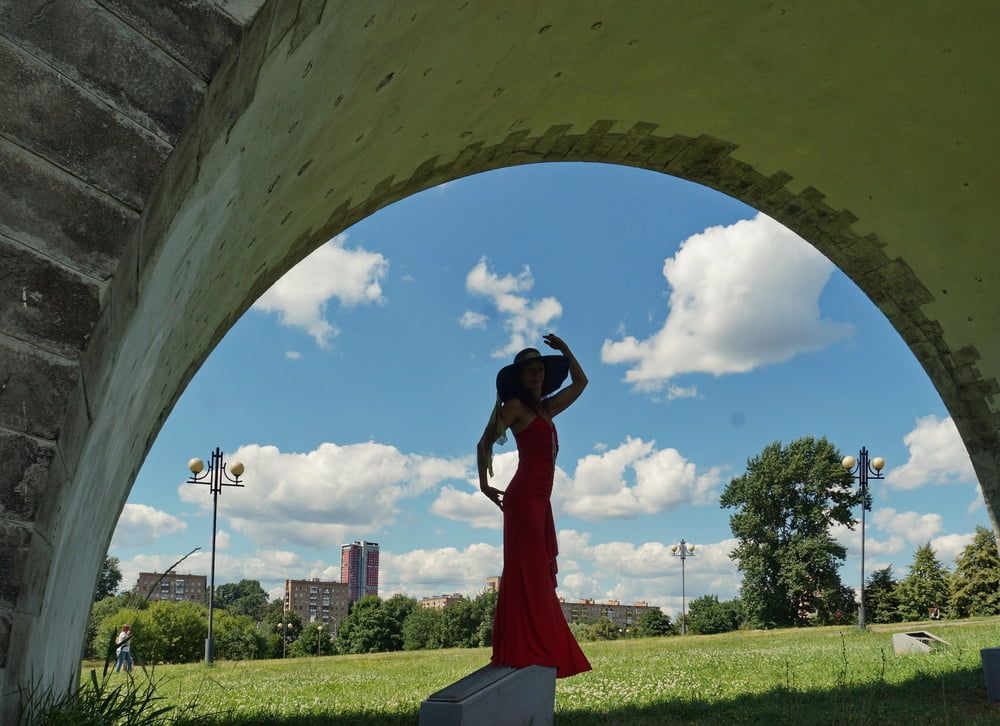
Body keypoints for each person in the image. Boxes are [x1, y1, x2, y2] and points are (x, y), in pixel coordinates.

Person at [478, 333, 592, 678]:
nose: (537, 375)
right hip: (524, 500)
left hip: (541, 503)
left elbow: (582, 382)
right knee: (530, 575)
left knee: (534, 574)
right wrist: (484, 484)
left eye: (541, 370)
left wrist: (566, 350)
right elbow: (484, 443)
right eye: (530, 371)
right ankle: (533, 648)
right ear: (518, 376)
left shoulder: (546, 407)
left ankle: (530, 645)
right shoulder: (514, 407)